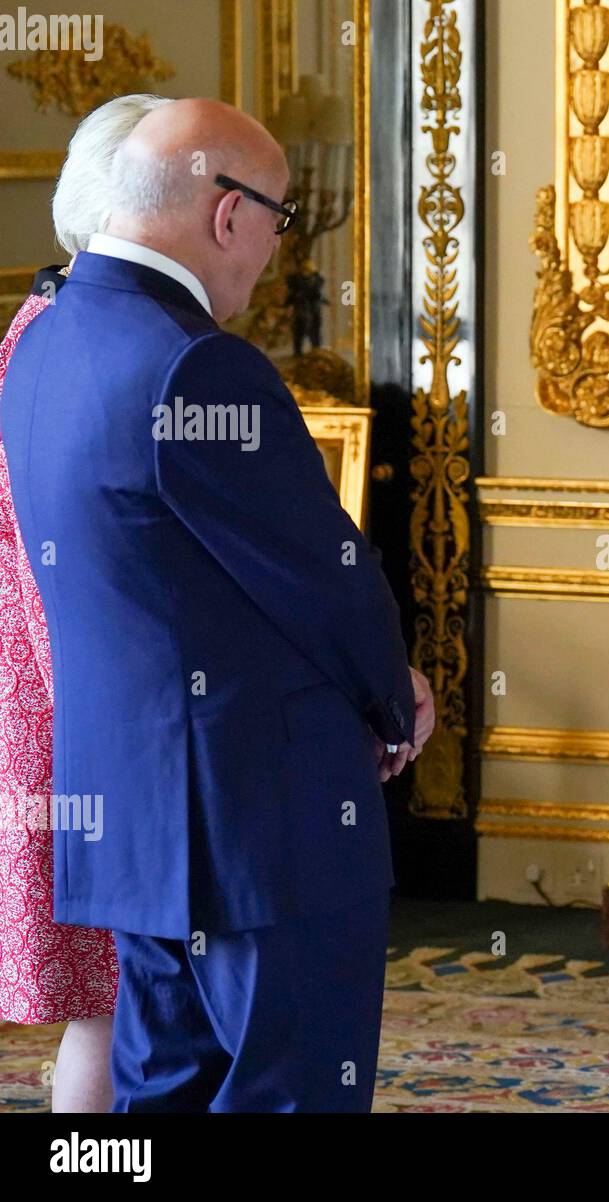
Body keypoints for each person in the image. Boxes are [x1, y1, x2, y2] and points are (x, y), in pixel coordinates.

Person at [1, 97, 435, 1112]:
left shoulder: (39, 344)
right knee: (288, 1089)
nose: (274, 254)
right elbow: (321, 567)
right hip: (256, 818)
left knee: (158, 1092)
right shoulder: (200, 362)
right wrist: (394, 692)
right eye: (279, 223)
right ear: (228, 213)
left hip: (129, 814)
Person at [0, 93, 172, 1113]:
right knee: (116, 1008)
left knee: (111, 1009)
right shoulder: (78, 340)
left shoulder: (41, 325)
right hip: (79, 712)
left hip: (62, 704)